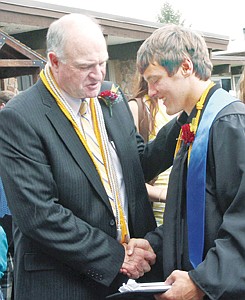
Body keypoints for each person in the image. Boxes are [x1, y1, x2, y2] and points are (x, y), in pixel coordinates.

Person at [0, 14, 186, 300]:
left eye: (102, 62)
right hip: (65, 282)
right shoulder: (20, 117)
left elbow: (137, 164)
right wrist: (116, 256)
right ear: (55, 61)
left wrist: (186, 115)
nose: (99, 74)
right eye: (86, 66)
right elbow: (40, 214)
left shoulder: (110, 96)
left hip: (131, 277)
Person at [123, 24, 245, 299]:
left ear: (186, 67)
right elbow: (194, 215)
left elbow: (242, 222)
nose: (151, 91)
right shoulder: (190, 123)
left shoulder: (229, 124)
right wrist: (155, 243)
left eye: (155, 79)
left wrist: (203, 281)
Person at [128, 74, 175, 226]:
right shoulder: (137, 108)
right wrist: (165, 195)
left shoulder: (184, 107)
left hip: (183, 210)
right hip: (155, 211)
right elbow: (128, 175)